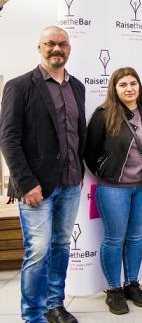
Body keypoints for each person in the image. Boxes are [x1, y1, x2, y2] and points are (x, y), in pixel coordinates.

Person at [0, 26, 86, 323]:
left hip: (70, 183)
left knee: (61, 246)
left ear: (69, 49)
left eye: (62, 44)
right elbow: (8, 139)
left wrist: (80, 171)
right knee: (37, 252)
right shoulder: (20, 86)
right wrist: (25, 183)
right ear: (39, 47)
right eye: (50, 43)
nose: (56, 48)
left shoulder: (77, 87)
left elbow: (78, 135)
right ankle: (32, 316)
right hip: (35, 187)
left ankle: (54, 305)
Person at [84, 67, 142, 315]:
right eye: (123, 84)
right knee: (114, 239)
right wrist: (106, 172)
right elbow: (90, 152)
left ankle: (132, 284)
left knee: (136, 237)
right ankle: (114, 290)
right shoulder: (103, 115)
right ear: (114, 88)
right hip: (113, 188)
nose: (129, 88)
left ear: (139, 86)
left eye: (133, 83)